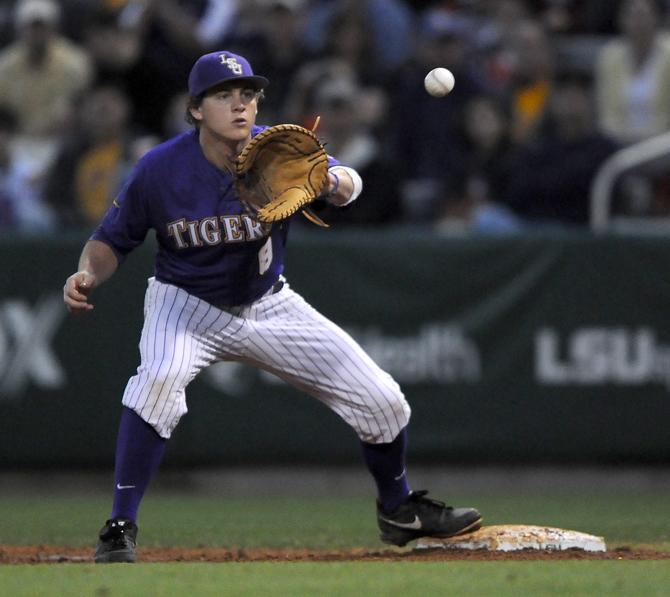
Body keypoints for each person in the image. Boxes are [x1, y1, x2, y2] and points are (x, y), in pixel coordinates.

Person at [62, 50, 482, 563]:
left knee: (384, 401)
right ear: (196, 109)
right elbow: (111, 240)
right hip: (185, 305)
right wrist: (87, 272)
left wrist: (332, 181)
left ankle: (398, 510)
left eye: (248, 94)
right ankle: (119, 525)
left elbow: (350, 184)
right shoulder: (159, 169)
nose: (240, 105)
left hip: (267, 304)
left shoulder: (278, 156)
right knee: (156, 385)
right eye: (224, 96)